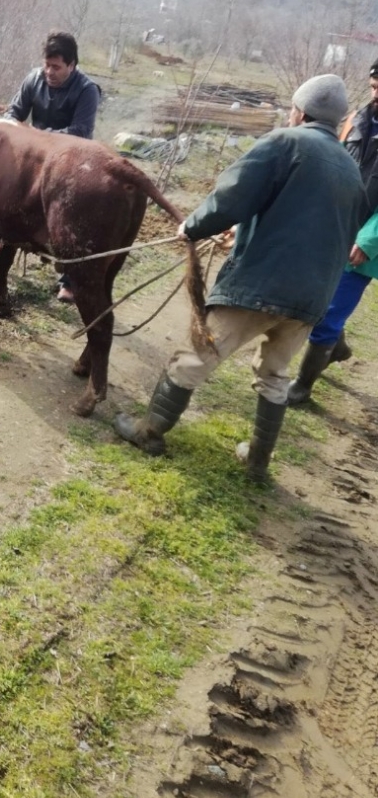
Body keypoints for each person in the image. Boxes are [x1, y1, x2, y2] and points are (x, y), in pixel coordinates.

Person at [113, 74, 367, 482]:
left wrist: (193, 227)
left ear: (300, 111)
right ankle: (257, 463)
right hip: (311, 297)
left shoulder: (286, 142)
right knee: (274, 375)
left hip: (261, 285)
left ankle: (150, 430)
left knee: (197, 356)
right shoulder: (350, 170)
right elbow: (315, 221)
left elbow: (233, 193)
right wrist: (246, 228)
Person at [0, 30, 100, 302]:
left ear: (72, 65)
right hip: (34, 158)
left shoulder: (87, 91)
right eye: (46, 64)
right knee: (2, 199)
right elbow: (13, 115)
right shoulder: (34, 79)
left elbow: (81, 131)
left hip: (69, 161)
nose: (49, 71)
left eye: (56, 67)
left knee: (69, 217)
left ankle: (69, 280)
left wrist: (39, 136)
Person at [288, 60, 378, 404]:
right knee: (315, 300)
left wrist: (369, 240)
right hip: (333, 225)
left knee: (328, 314)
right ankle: (337, 347)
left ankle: (301, 388)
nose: (376, 94)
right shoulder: (355, 121)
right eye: (373, 86)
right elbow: (333, 163)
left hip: (366, 241)